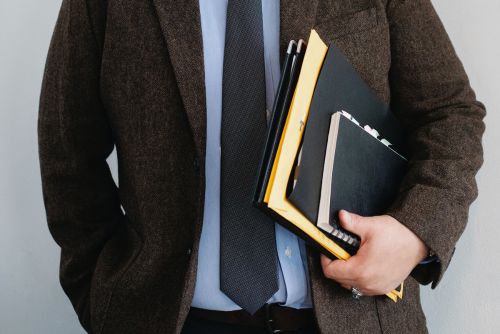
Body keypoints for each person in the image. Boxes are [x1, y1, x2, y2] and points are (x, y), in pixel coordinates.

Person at [38, 0, 485, 333]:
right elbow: (68, 150)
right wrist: (101, 298)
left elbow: (448, 113)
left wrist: (415, 233)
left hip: (355, 317)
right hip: (170, 319)